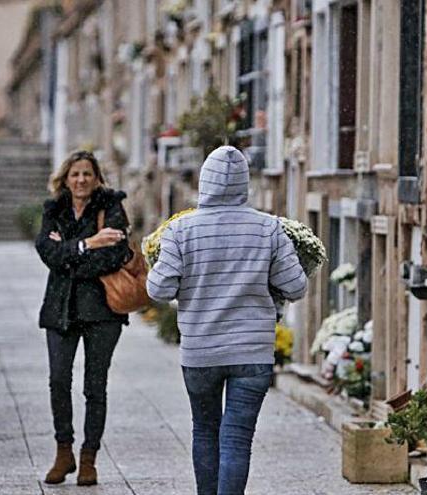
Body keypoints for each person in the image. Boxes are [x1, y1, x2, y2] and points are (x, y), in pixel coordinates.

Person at [146, 146, 307, 495]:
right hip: (252, 352)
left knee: (204, 430)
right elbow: (296, 286)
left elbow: (158, 290)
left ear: (205, 182)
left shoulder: (180, 231)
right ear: (244, 183)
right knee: (237, 439)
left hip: (201, 351)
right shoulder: (269, 229)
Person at [35, 150, 131, 486]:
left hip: (102, 311)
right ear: (65, 179)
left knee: (95, 385)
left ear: (96, 178)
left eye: (87, 174)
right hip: (60, 309)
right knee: (58, 380)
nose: (81, 180)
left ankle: (89, 457)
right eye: (75, 174)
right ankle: (64, 451)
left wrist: (71, 255)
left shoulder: (112, 206)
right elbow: (47, 252)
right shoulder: (54, 210)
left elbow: (116, 254)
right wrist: (89, 243)